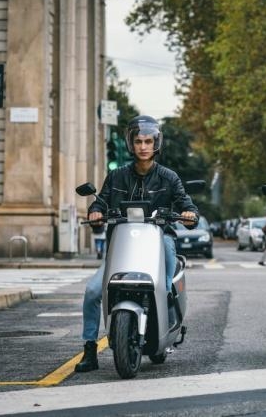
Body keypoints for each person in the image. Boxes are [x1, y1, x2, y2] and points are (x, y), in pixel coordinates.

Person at [75, 115, 199, 373]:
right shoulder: (116, 176)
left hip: (158, 240)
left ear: (156, 144)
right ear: (131, 144)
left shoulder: (168, 177)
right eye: (138, 141)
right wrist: (95, 212)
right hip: (123, 246)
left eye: (148, 141)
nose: (143, 146)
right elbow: (101, 202)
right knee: (93, 291)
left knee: (163, 285)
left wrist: (189, 215)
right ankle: (89, 348)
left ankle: (166, 332)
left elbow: (186, 204)